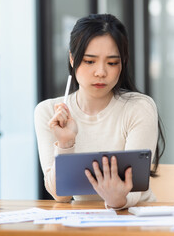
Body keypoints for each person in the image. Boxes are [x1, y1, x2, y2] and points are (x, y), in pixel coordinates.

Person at [34, 13, 165, 209]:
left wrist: (117, 200)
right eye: (89, 61)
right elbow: (60, 195)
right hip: (83, 222)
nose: (101, 72)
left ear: (122, 63)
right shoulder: (48, 112)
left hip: (134, 219)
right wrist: (65, 142)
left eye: (112, 63)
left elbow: (134, 189)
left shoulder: (139, 107)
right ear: (72, 58)